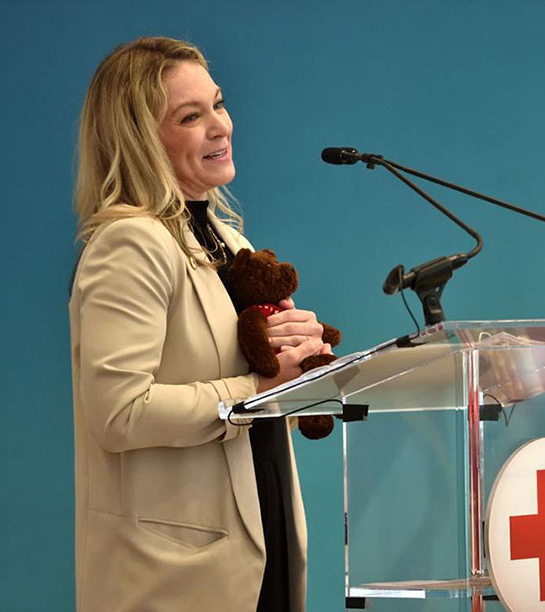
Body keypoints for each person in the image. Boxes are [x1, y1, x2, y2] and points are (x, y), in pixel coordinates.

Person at [69, 37, 331, 611]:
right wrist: (257, 389)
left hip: (260, 545)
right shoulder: (130, 243)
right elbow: (118, 413)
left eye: (219, 104)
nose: (220, 126)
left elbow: (238, 391)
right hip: (175, 575)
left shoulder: (228, 238)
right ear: (141, 139)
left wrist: (296, 361)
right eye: (191, 116)